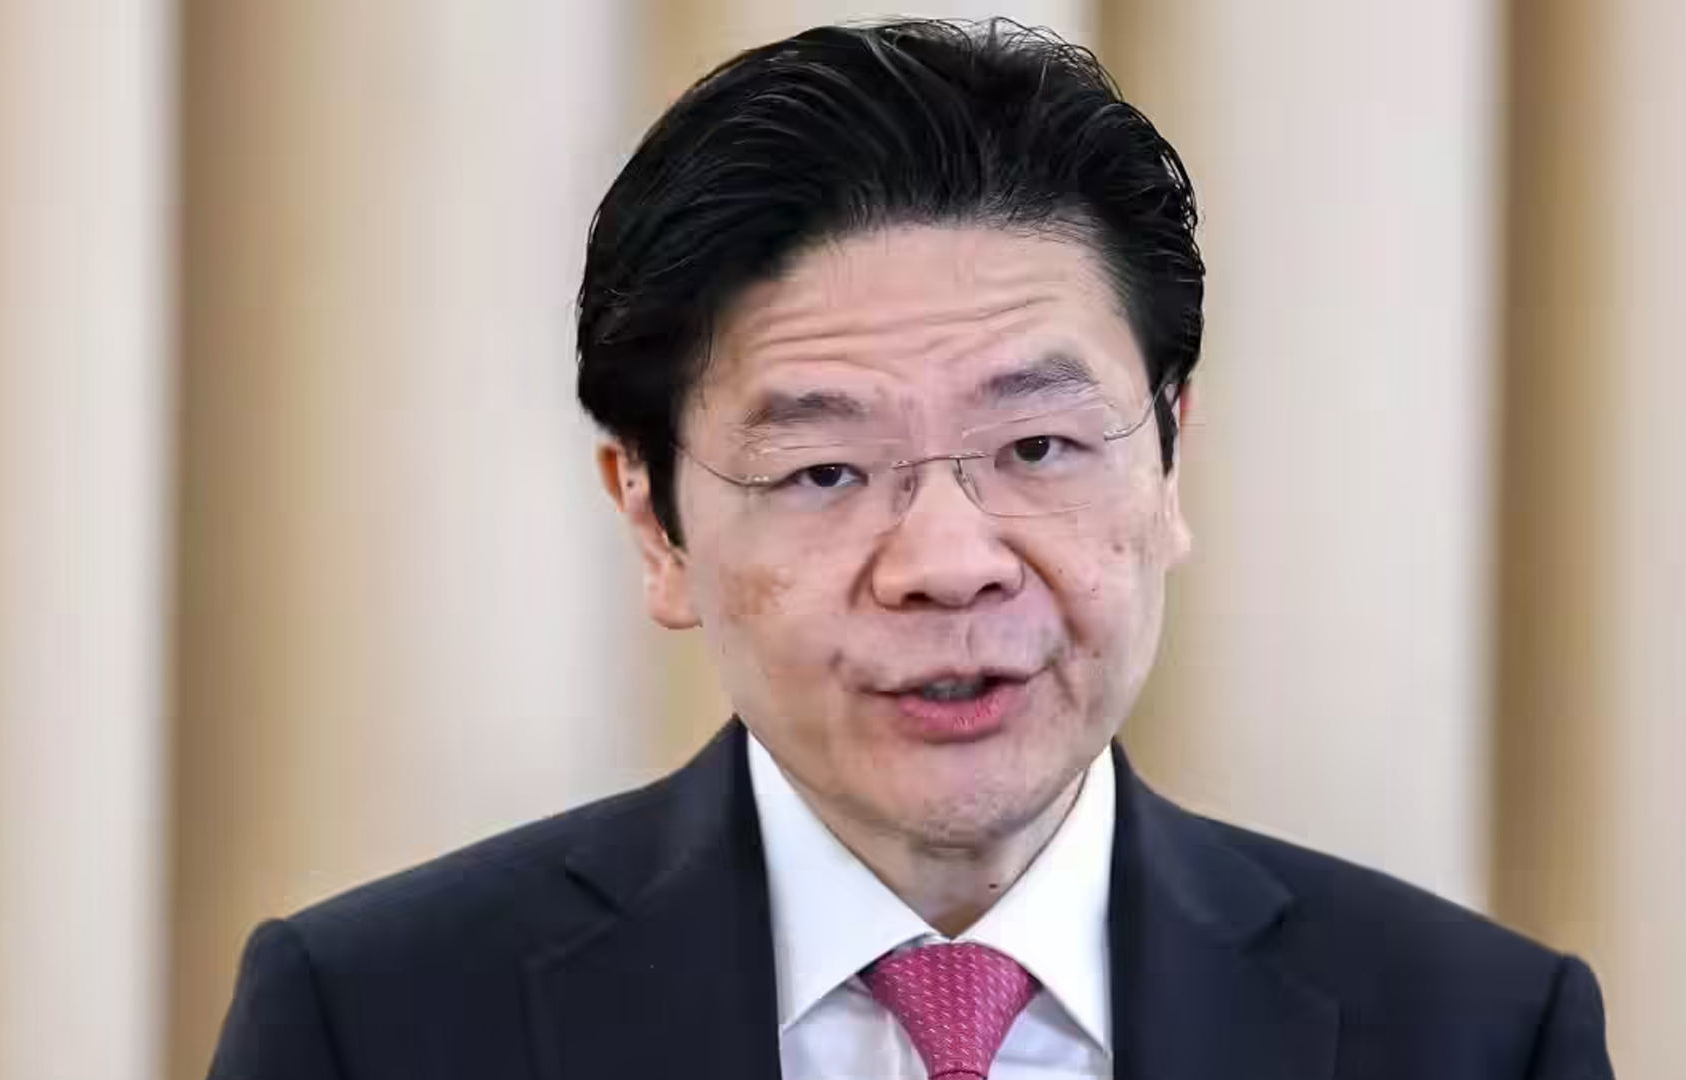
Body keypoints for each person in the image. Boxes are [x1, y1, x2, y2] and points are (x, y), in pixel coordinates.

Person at [208, 19, 1612, 1080]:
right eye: (826, 470)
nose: (949, 561)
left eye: (1038, 447)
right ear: (653, 521)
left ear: (1169, 460)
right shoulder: (377, 1022)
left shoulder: (1477, 1034)